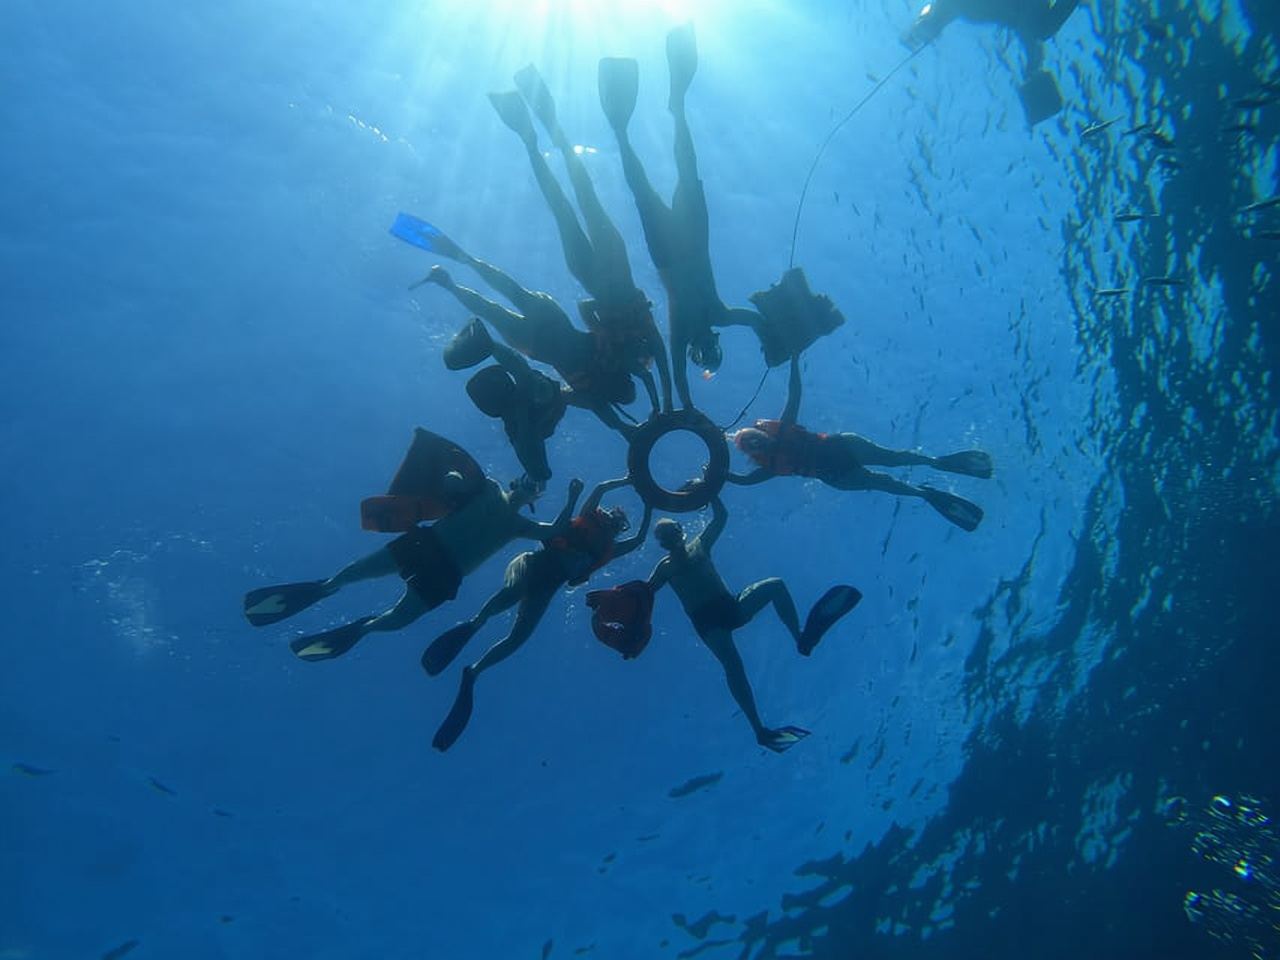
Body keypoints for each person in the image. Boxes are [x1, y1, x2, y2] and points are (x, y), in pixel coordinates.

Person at [599, 26, 806, 409]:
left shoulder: (681, 333)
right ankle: (675, 103)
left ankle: (621, 128)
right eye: (712, 352)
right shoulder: (720, 315)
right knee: (685, 169)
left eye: (702, 355)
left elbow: (677, 374)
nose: (705, 348)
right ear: (716, 344)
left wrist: (688, 410)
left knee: (642, 189)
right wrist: (775, 345)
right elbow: (758, 323)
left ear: (696, 351)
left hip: (668, 250)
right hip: (694, 241)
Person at [243, 432, 583, 663]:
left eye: (534, 487)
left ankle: (364, 627)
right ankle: (326, 588)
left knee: (401, 619)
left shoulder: (520, 526)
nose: (528, 485)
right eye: (528, 478)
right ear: (516, 480)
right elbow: (453, 477)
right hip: (427, 545)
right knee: (359, 571)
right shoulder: (490, 488)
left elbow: (556, 530)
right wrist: (453, 481)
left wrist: (573, 498)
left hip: (445, 573)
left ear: (535, 499)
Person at [490, 67, 674, 414]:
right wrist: (663, 400)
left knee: (562, 207)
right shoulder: (647, 346)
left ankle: (528, 137)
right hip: (614, 266)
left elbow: (583, 308)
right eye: (633, 376)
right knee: (584, 196)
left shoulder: (606, 353)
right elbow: (661, 361)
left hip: (589, 276)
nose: (631, 370)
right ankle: (547, 122)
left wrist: (599, 328)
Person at [426, 477, 652, 751]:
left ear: (617, 529)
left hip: (546, 585)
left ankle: (474, 670)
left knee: (518, 637)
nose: (611, 522)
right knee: (509, 597)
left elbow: (639, 539)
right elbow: (600, 490)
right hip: (534, 566)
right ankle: (475, 625)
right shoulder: (589, 519)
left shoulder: (608, 549)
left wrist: (648, 500)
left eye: (616, 523)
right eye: (612, 517)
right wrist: (628, 481)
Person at [645, 497, 862, 753]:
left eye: (672, 531)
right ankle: (759, 729)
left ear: (680, 531)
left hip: (730, 606)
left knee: (776, 585)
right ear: (662, 545)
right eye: (665, 537)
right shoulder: (664, 568)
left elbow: (721, 517)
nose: (671, 537)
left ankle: (800, 639)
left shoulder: (700, 545)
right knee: (733, 665)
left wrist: (711, 490)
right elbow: (645, 593)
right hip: (707, 621)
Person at [728, 355, 994, 532]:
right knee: (886, 485)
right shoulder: (769, 468)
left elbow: (794, 392)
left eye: (752, 436)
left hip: (843, 447)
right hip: (838, 476)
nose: (755, 441)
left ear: (760, 431)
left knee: (893, 458)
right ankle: (925, 494)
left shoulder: (784, 428)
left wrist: (795, 358)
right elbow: (744, 480)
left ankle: (938, 463)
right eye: (750, 445)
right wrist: (719, 475)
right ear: (753, 452)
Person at [413, 237, 639, 435]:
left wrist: (622, 427)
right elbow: (604, 413)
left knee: (508, 293)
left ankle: (463, 267)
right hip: (539, 341)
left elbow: (606, 412)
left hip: (549, 328)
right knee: (493, 307)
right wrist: (622, 429)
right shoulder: (592, 391)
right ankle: (450, 282)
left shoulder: (608, 361)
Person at [902, 0, 1081, 126]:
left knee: (1041, 30)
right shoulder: (962, 10)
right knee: (1041, 30)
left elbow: (1027, 28)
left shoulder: (960, 9)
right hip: (1022, 13)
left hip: (1021, 13)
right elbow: (1027, 28)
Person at [459, 325, 567, 487]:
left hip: (529, 417)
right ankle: (488, 345)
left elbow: (520, 370)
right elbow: (519, 369)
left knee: (529, 384)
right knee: (529, 384)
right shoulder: (522, 408)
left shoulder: (525, 395)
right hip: (528, 419)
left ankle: (488, 344)